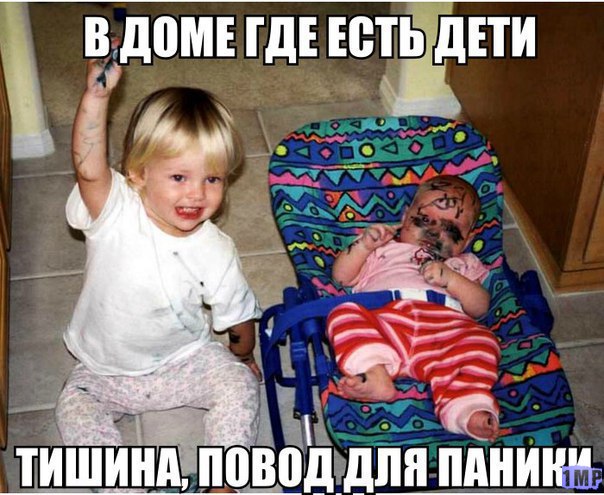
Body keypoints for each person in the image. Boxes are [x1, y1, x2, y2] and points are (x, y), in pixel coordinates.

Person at [55, 39, 262, 492]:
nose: (196, 194)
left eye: (212, 178)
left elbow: (238, 317)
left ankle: (223, 481)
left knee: (239, 386)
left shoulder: (217, 249)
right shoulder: (114, 210)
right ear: (138, 172)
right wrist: (96, 96)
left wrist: (243, 357)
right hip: (103, 371)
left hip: (184, 360)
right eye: (179, 177)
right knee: (74, 411)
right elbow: (88, 167)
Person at [327, 175, 501, 442]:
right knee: (343, 313)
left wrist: (451, 279)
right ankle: (375, 372)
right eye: (424, 220)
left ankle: (467, 408)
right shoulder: (384, 250)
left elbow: (480, 308)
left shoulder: (463, 264)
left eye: (451, 229)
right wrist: (364, 245)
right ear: (406, 216)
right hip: (385, 323)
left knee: (482, 340)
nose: (434, 233)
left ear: (467, 240)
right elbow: (341, 278)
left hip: (444, 332)